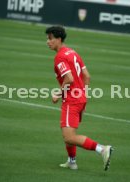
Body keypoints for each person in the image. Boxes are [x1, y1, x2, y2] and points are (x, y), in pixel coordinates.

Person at [45, 26, 113, 171]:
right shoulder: (73, 52)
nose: (47, 41)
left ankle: (102, 149)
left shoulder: (60, 57)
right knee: (67, 130)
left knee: (69, 137)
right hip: (80, 98)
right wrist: (85, 96)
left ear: (59, 39)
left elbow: (69, 79)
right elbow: (87, 76)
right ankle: (72, 161)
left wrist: (58, 93)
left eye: (50, 38)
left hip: (71, 100)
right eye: (47, 38)